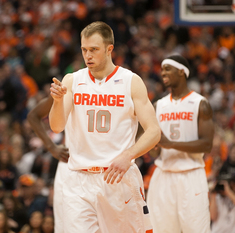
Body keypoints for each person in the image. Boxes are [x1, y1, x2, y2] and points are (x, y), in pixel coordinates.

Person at [49, 21, 160, 233]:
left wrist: (128, 155)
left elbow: (154, 131)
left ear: (109, 49)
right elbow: (56, 126)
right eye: (84, 50)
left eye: (93, 50)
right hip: (78, 181)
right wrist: (56, 101)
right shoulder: (73, 80)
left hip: (117, 178)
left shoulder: (131, 81)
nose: (87, 55)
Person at [147, 55, 214, 233]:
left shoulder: (200, 103)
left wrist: (171, 144)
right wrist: (153, 148)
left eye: (168, 68)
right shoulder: (158, 105)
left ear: (182, 72)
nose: (163, 73)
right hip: (163, 174)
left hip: (191, 174)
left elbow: (207, 145)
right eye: (162, 69)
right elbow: (155, 151)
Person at [27, 95, 69, 233]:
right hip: (71, 172)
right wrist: (52, 147)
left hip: (106, 171)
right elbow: (33, 116)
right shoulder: (69, 86)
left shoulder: (120, 85)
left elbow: (139, 122)